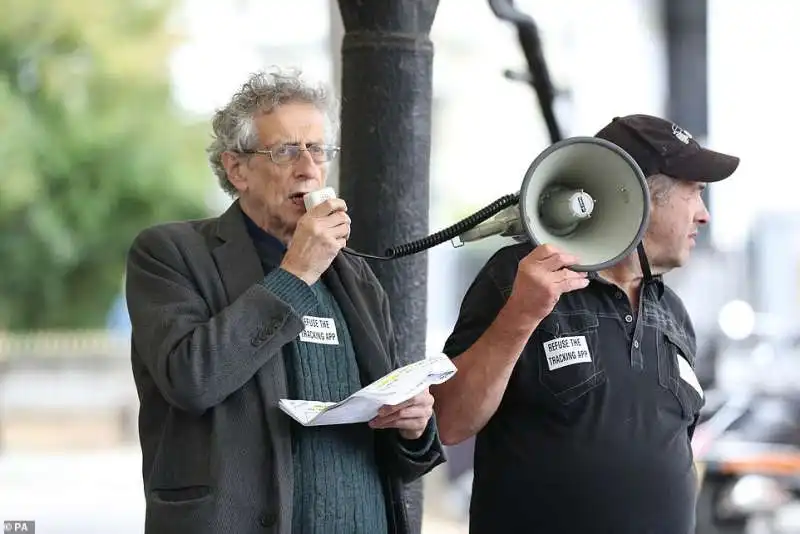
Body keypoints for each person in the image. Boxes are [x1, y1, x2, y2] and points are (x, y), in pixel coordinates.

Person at [125, 68, 444, 534]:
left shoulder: (354, 275)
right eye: (286, 151)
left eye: (318, 150)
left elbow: (400, 455)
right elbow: (192, 379)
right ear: (238, 170)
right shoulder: (171, 254)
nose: (309, 168)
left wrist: (414, 425)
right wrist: (296, 273)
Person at [431, 114, 739, 534]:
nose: (704, 215)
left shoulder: (673, 312)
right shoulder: (521, 278)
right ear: (641, 196)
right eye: (695, 193)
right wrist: (521, 315)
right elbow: (449, 420)